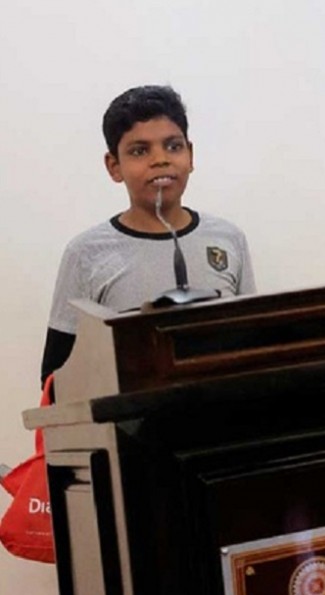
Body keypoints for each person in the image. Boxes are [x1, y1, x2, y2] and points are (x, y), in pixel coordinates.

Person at [41, 85, 256, 386]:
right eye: (140, 151)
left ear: (190, 155)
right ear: (114, 166)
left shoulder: (228, 238)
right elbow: (55, 378)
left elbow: (254, 344)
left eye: (173, 146)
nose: (160, 160)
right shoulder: (86, 253)